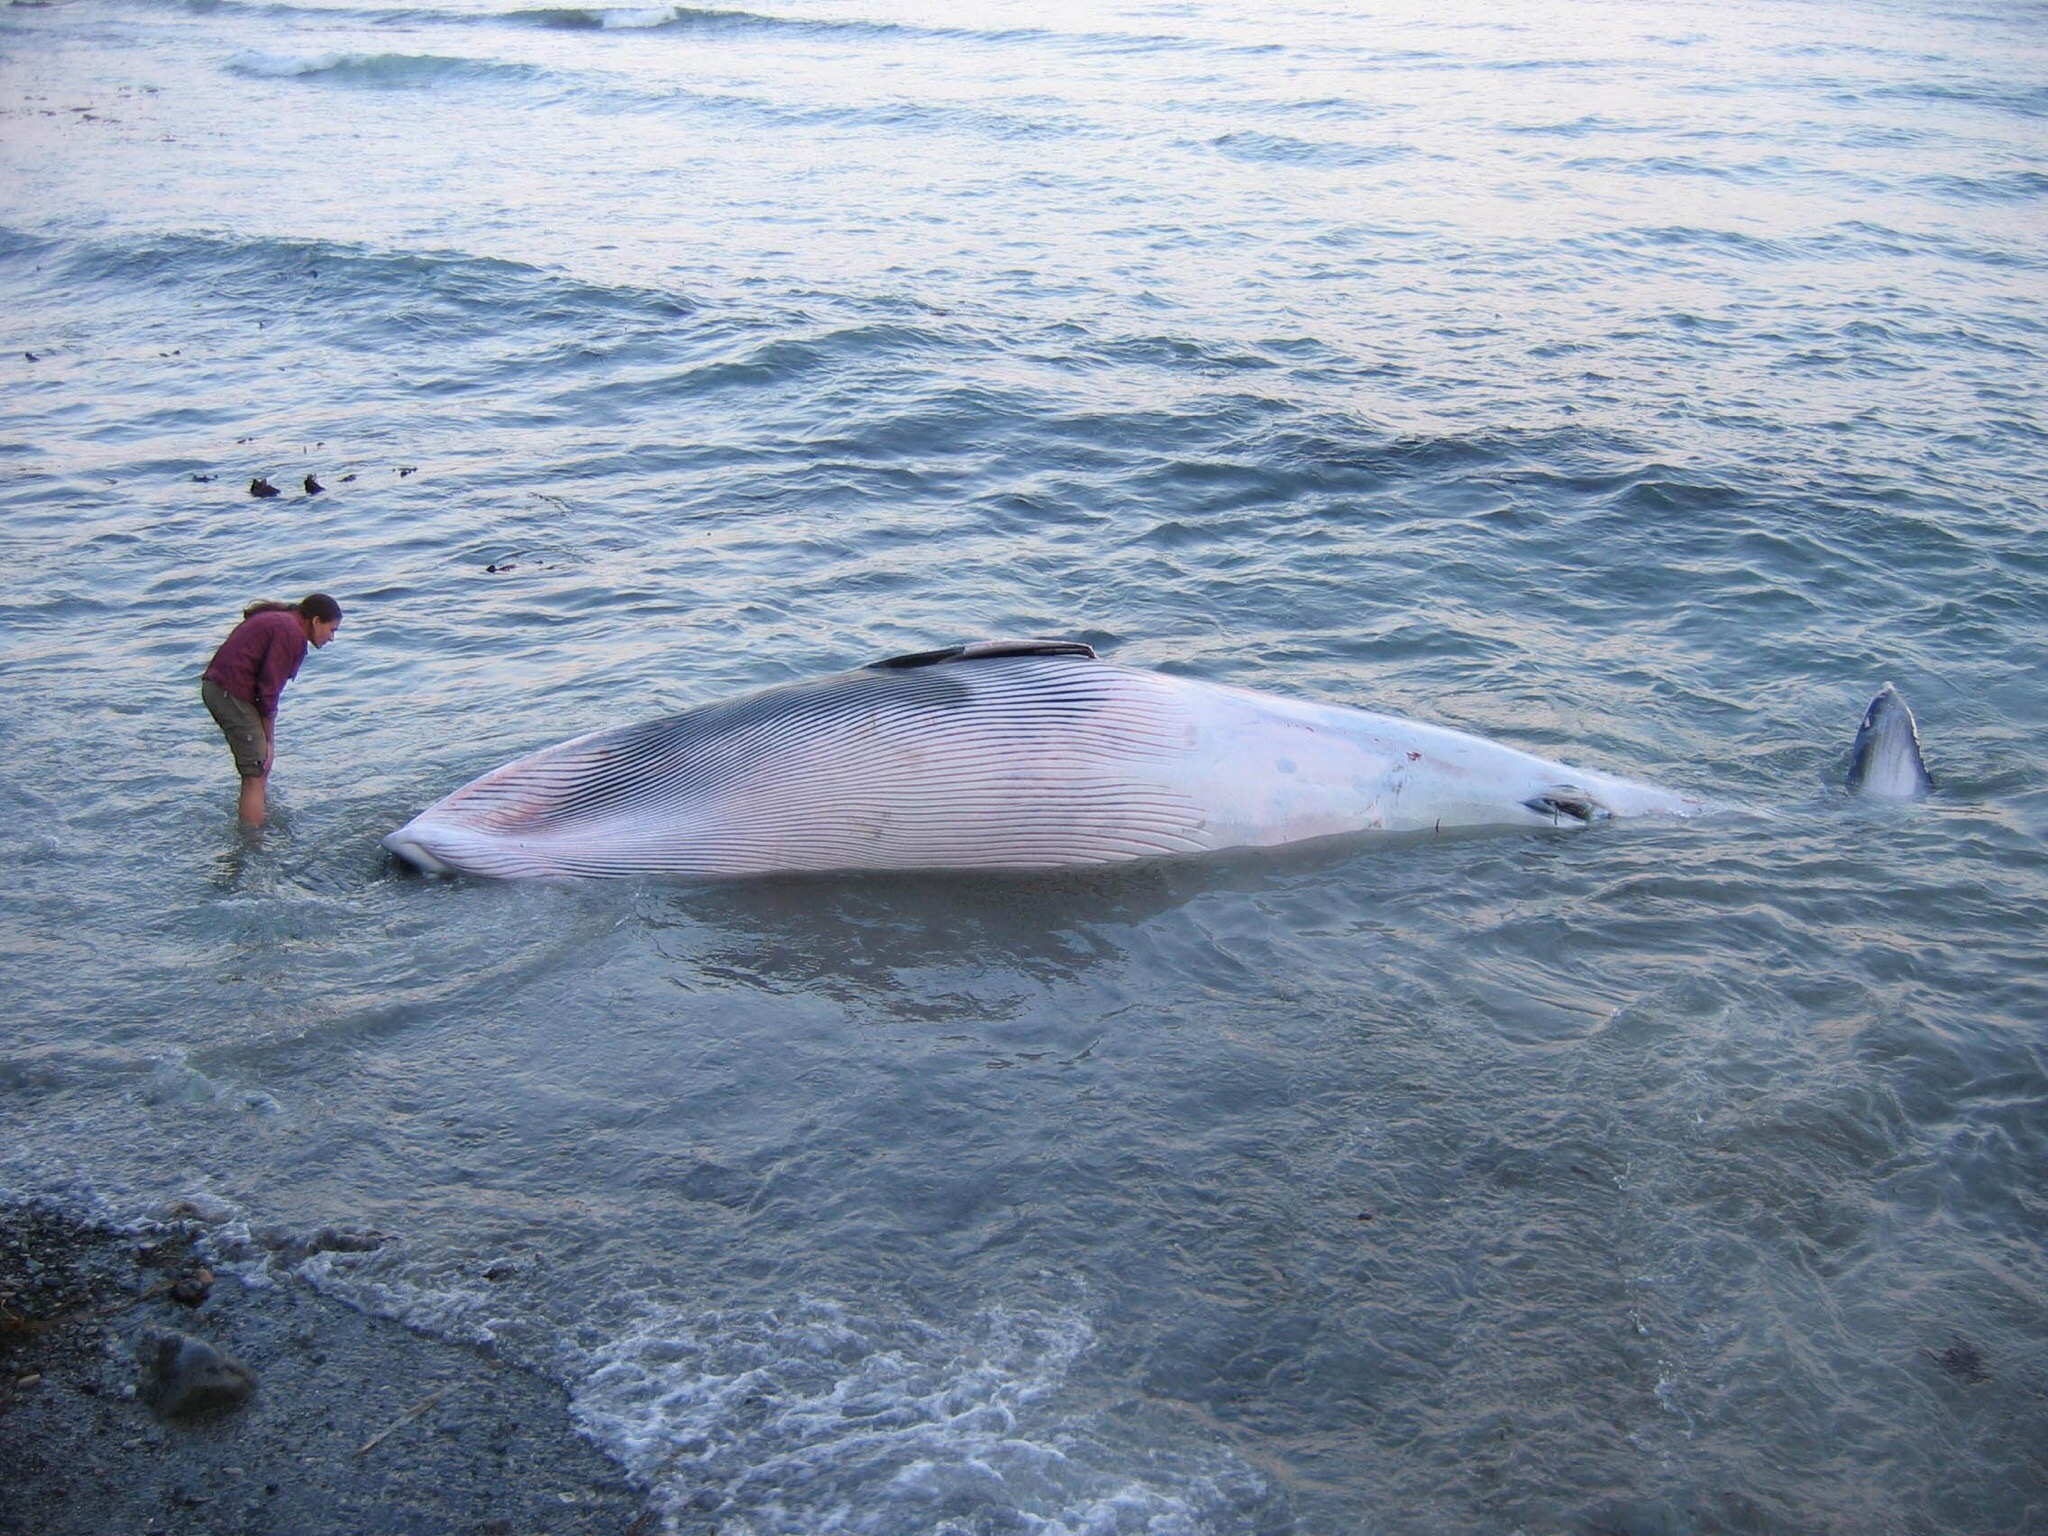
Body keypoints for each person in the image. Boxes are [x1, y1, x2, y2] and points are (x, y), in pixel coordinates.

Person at [201, 593, 343, 827]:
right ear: (316, 621)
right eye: (332, 630)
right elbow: (269, 692)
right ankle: (252, 845)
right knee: (256, 772)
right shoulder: (291, 632)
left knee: (259, 766)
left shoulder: (285, 621)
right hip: (229, 693)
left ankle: (256, 818)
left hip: (223, 689)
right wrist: (269, 742)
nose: (332, 638)